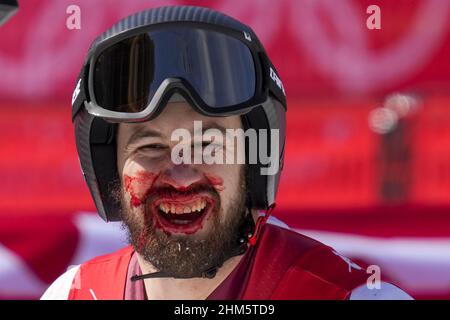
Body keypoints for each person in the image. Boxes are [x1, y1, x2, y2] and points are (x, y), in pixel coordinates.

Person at [42, 5, 412, 300]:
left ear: (253, 166)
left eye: (208, 145)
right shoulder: (72, 294)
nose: (181, 175)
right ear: (110, 171)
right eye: (151, 147)